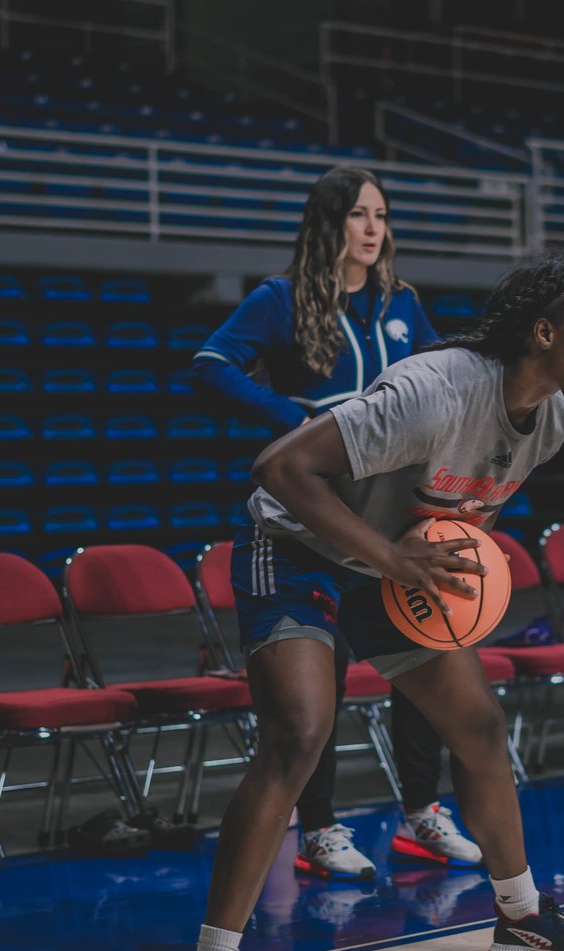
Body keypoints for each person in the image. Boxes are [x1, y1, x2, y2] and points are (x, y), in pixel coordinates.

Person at [175, 249, 564, 951]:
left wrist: (442, 581)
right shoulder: (436, 388)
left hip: (390, 563)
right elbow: (280, 468)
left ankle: (521, 919)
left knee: (480, 728)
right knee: (300, 733)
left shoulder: (552, 420)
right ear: (544, 331)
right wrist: (392, 562)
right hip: (298, 544)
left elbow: (455, 515)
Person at [192, 166, 481, 880]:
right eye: (358, 214)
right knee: (323, 677)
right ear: (330, 224)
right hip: (313, 508)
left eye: (381, 214)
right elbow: (209, 363)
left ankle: (421, 815)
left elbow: (446, 375)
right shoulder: (281, 297)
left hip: (389, 506)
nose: (373, 227)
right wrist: (293, 419)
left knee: (420, 656)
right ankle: (318, 830)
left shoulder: (402, 302)